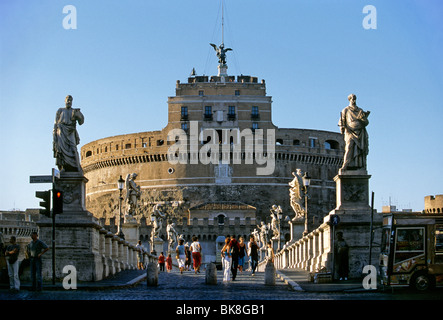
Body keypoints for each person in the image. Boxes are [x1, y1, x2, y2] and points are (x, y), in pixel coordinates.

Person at [338, 93, 370, 171]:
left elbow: (366, 122)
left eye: (355, 98)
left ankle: (359, 166)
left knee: (359, 149)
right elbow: (341, 121)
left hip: (360, 131)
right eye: (352, 99)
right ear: (349, 100)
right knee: (349, 147)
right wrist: (342, 128)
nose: (354, 100)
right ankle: (345, 165)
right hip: (350, 131)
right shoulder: (345, 110)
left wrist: (364, 118)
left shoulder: (360, 110)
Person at [53, 95, 84, 172]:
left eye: (70, 100)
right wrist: (54, 135)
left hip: (70, 133)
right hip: (61, 133)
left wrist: (79, 115)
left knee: (73, 149)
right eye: (68, 100)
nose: (69, 102)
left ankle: (77, 167)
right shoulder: (60, 110)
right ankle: (63, 167)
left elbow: (81, 122)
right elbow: (55, 124)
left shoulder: (74, 111)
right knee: (61, 151)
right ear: (65, 101)